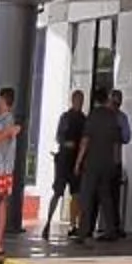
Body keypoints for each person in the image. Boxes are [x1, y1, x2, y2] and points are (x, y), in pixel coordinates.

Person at [79, 88, 129, 241]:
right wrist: (115, 162)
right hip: (109, 164)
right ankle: (110, 229)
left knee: (88, 196)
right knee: (107, 197)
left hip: (94, 163)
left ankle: (85, 230)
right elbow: (120, 140)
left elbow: (85, 140)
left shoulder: (95, 116)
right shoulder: (115, 118)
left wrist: (78, 162)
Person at [0, 86, 25, 252]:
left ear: (3, 101)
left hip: (1, 168)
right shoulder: (4, 121)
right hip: (0, 167)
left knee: (0, 204)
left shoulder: (5, 120)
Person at [46, 90, 87, 244]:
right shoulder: (66, 117)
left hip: (76, 160)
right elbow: (59, 136)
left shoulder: (84, 119)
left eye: (81, 100)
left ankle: (73, 224)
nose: (79, 103)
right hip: (64, 160)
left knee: (75, 194)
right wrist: (65, 143)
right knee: (58, 192)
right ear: (72, 100)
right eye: (77, 100)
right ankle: (48, 221)